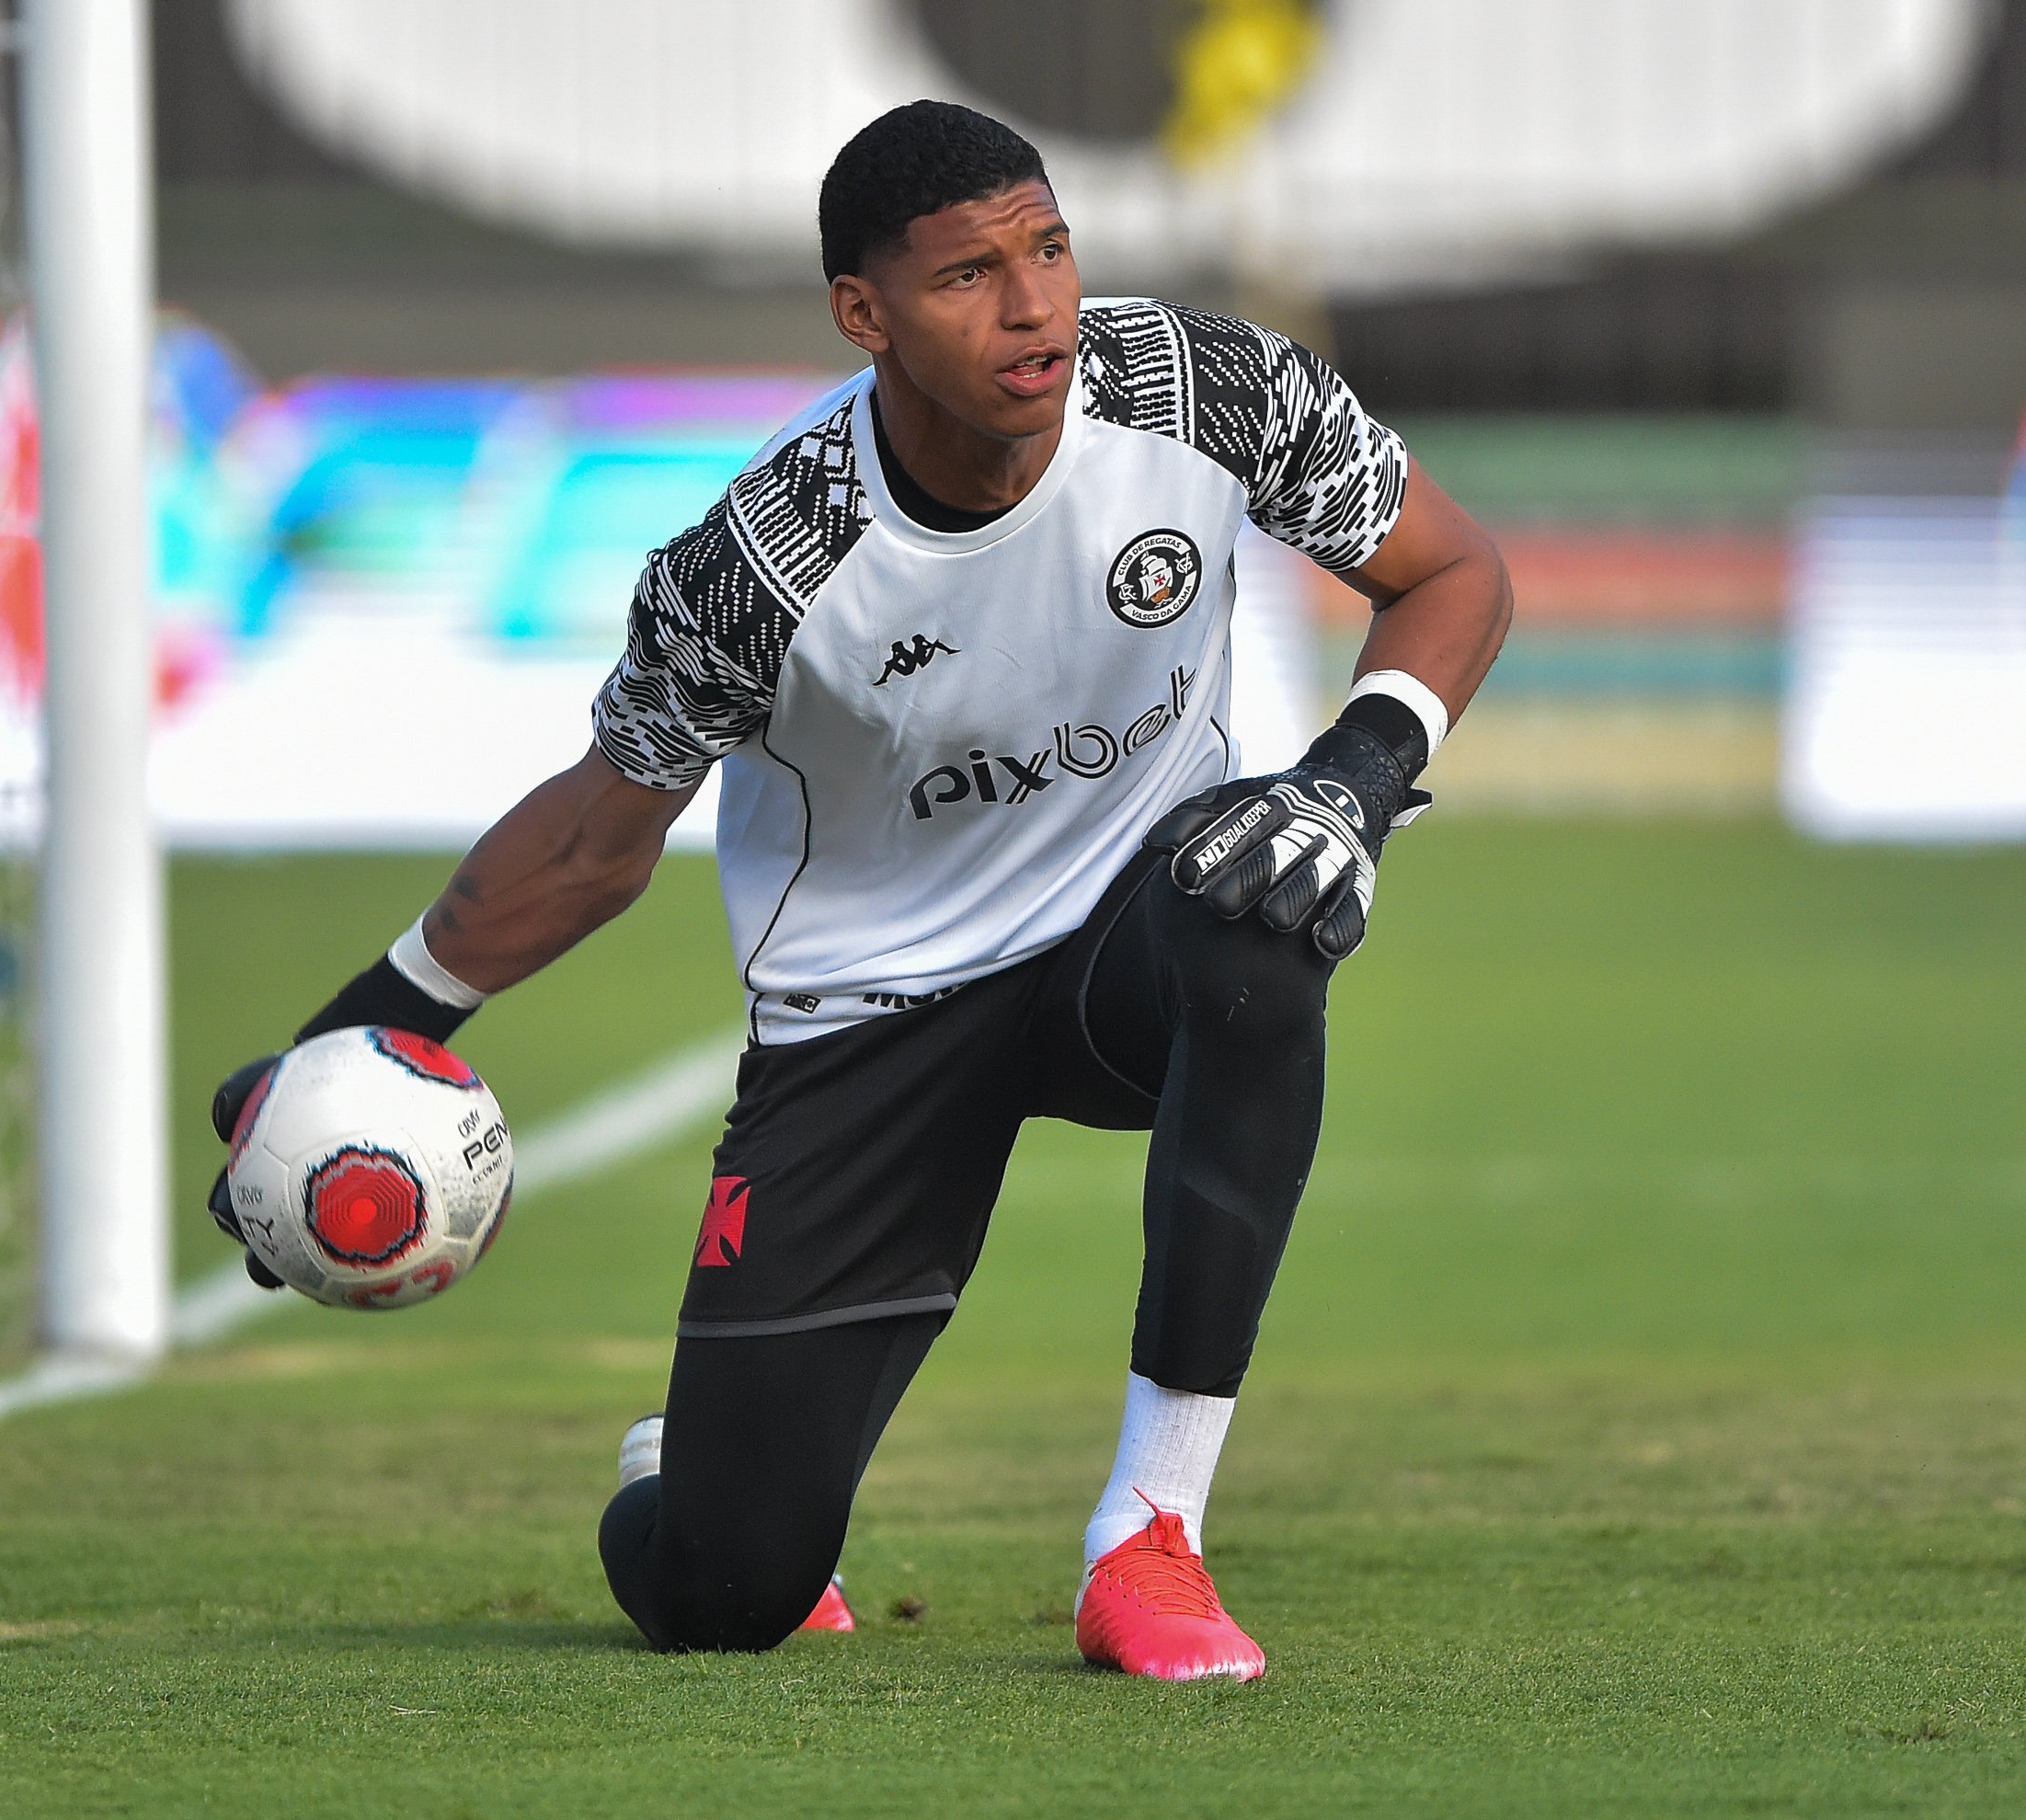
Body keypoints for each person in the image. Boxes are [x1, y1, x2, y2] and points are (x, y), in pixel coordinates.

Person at [207, 99, 1511, 1680]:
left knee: (1263, 913)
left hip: (1129, 932)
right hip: (869, 1010)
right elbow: (594, 840)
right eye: (968, 275)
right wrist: (341, 1046)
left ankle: (1149, 1536)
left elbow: (1451, 572)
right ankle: (694, 1466)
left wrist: (1352, 783)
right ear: (863, 313)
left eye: (1049, 249)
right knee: (726, 1596)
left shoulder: (1204, 389)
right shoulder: (759, 564)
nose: (1035, 305)